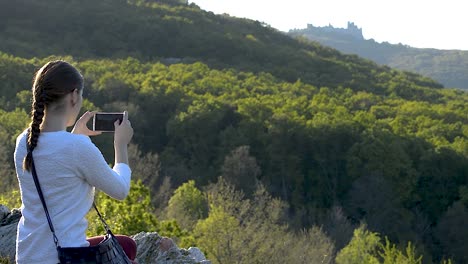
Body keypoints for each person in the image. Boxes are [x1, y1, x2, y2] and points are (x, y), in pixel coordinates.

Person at [13, 60, 137, 263]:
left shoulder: (23, 141)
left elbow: (55, 162)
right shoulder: (77, 148)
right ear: (73, 95)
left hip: (28, 254)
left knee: (126, 245)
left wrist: (76, 135)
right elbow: (120, 190)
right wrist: (121, 145)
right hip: (64, 258)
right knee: (127, 249)